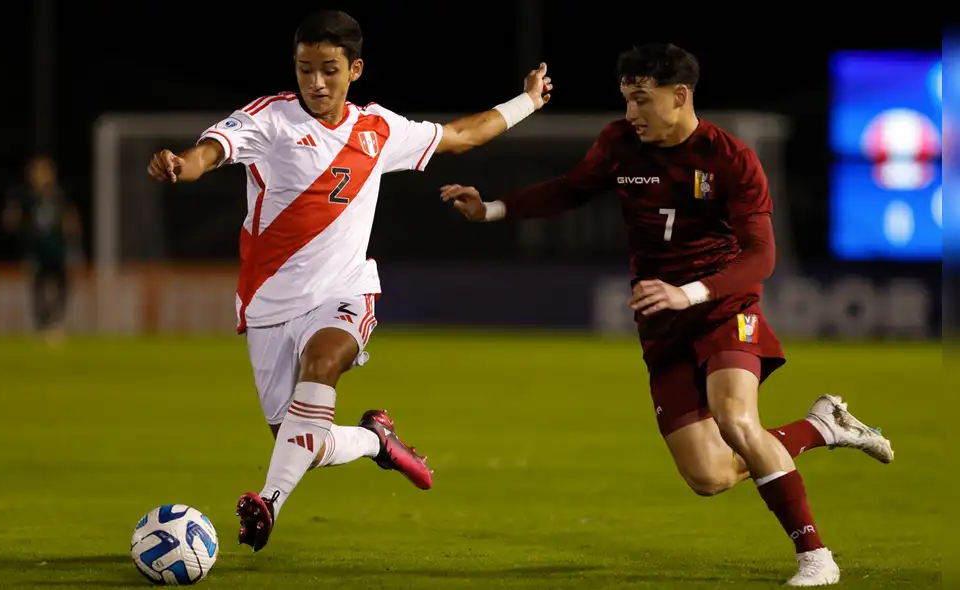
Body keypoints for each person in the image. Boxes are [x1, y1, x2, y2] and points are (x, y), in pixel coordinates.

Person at [441, 43, 893, 587]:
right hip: (662, 320)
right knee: (709, 476)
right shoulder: (619, 144)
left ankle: (816, 557)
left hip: (724, 306)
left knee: (735, 419)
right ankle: (821, 427)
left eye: (641, 100)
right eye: (627, 99)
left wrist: (691, 293)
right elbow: (570, 190)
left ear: (679, 96)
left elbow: (761, 257)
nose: (631, 112)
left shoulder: (730, 159)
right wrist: (490, 209)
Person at [146, 9, 554, 553]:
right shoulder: (271, 120)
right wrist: (182, 164)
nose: (316, 82)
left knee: (323, 362)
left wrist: (527, 101)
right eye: (305, 69)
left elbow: (460, 136)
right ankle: (375, 440)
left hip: (343, 291)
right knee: (302, 443)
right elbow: (211, 152)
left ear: (355, 70)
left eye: (329, 70)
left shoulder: (378, 129)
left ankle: (268, 502)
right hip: (268, 302)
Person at [2, 155, 82, 344]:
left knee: (62, 284)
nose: (39, 176)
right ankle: (42, 324)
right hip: (35, 249)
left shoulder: (59, 194)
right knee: (38, 286)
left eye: (43, 171)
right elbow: (13, 218)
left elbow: (70, 217)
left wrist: (73, 229)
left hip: (57, 248)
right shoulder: (25, 196)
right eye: (36, 172)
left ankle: (55, 321)